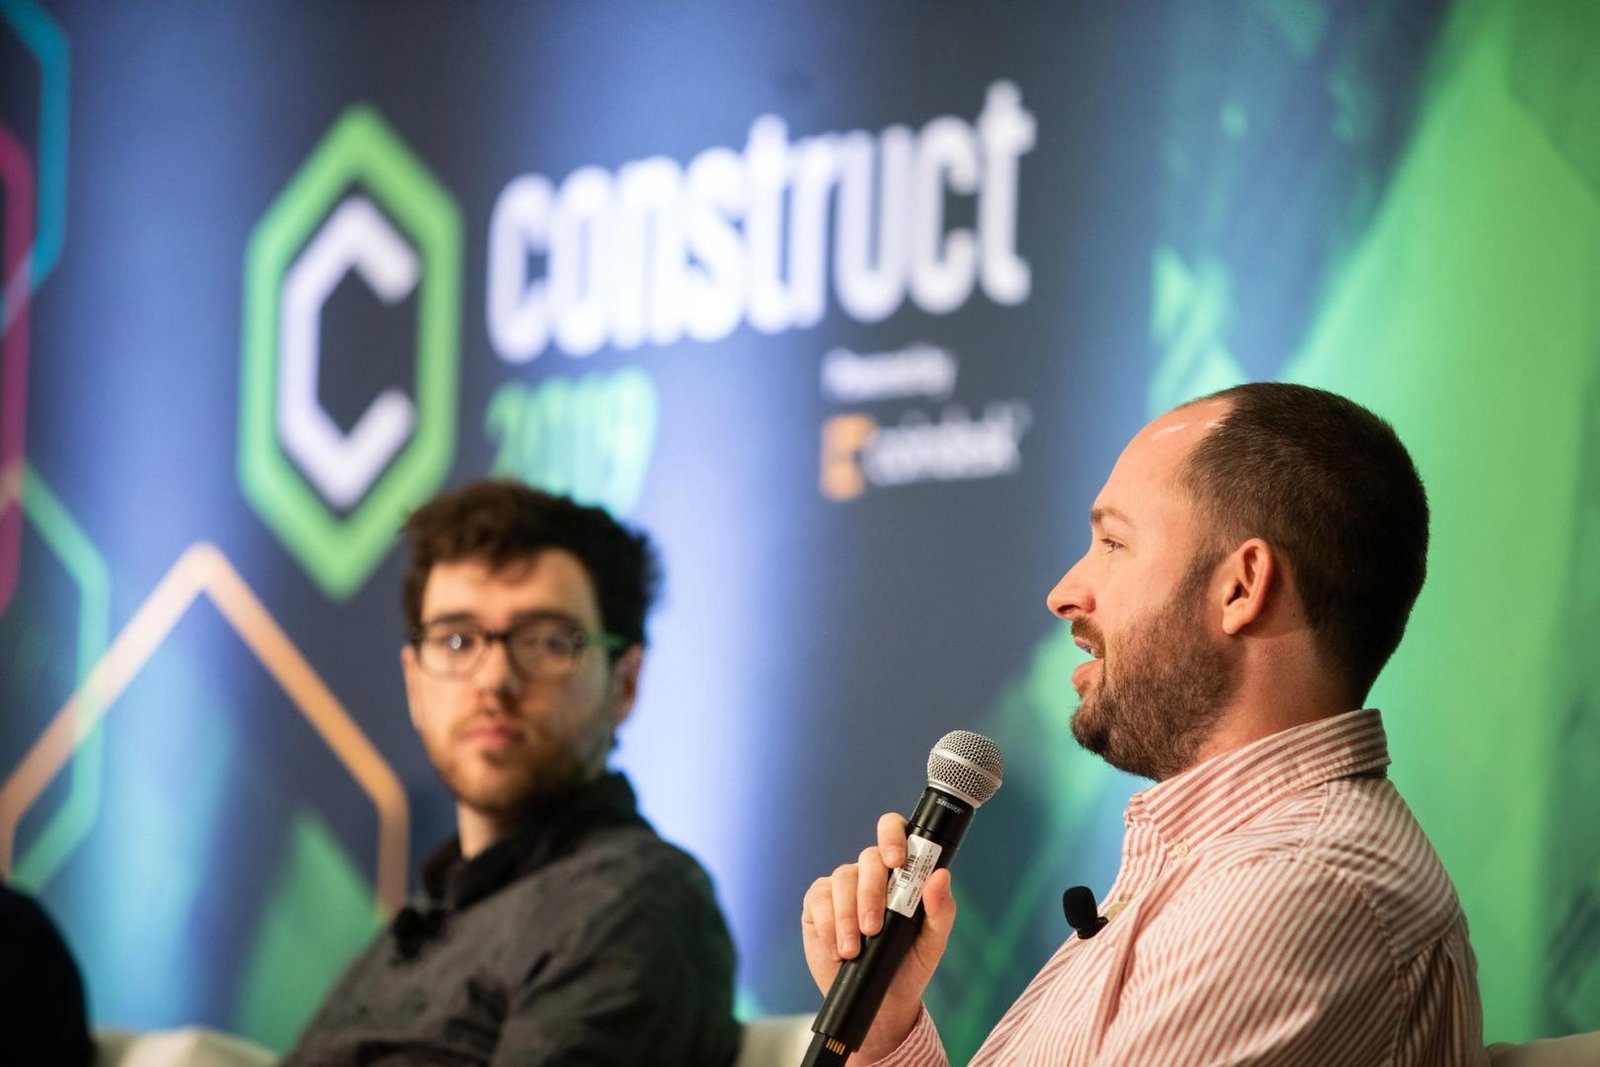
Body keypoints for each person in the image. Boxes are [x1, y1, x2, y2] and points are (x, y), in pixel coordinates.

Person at [801, 383, 1488, 1065]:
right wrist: (885, 1035)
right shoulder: (1222, 868)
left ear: (1241, 587)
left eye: (1113, 542)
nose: (1064, 593)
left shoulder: (1297, 891)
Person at [287, 480, 740, 1066]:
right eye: (456, 640)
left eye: (548, 642)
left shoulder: (636, 905)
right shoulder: (422, 923)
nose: (494, 679)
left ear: (624, 683)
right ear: (414, 683)